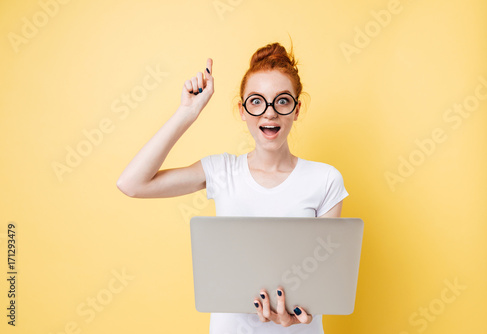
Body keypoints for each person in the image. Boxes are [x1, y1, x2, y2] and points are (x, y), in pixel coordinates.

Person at [117, 41, 349, 334]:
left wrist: (301, 313)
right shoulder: (221, 170)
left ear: (296, 109)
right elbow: (132, 183)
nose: (269, 113)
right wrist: (188, 112)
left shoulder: (325, 179)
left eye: (282, 101)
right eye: (256, 101)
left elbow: (322, 282)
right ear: (242, 110)